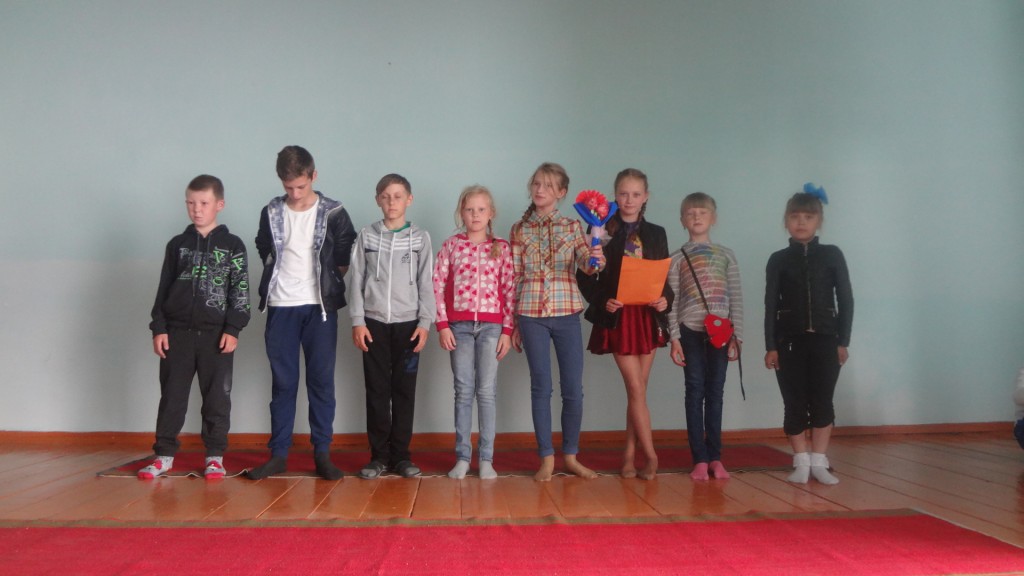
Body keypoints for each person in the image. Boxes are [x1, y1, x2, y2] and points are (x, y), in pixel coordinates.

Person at [249, 146, 356, 481]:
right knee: (283, 383)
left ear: (314, 176)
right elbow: (263, 244)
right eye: (288, 187)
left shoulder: (334, 212)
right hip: (281, 306)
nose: (294, 193)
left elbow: (344, 254)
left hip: (319, 308)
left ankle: (322, 454)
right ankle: (278, 455)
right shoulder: (271, 211)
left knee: (321, 381)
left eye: (301, 186)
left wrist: (327, 281)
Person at [142, 174, 250, 479]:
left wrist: (233, 328)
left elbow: (240, 290)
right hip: (177, 335)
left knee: (217, 399)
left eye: (203, 203)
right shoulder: (177, 245)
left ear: (219, 205)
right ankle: (163, 456)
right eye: (190, 203)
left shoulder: (233, 245)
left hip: (216, 337)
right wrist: (159, 327)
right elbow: (163, 289)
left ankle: (214, 457)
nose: (196, 209)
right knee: (172, 397)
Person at [511, 162, 605, 482]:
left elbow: (588, 266)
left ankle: (571, 456)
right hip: (530, 314)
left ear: (561, 193)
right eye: (537, 183)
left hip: (567, 313)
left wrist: (597, 259)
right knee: (541, 387)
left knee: (573, 389)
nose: (540, 190)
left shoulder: (572, 226)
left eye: (548, 185)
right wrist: (513, 324)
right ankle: (546, 459)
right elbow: (514, 277)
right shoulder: (519, 229)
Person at [578, 168, 671, 480]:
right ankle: (652, 456)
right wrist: (602, 299)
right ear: (614, 196)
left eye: (635, 194)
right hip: (619, 316)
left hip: (647, 316)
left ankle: (629, 455)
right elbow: (585, 275)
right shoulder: (600, 228)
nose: (629, 200)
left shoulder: (657, 233)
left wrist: (666, 300)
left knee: (638, 391)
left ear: (645, 197)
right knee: (635, 387)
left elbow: (663, 277)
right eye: (623, 194)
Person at [764, 185, 852, 485]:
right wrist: (771, 345)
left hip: (826, 339)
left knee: (823, 400)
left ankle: (819, 461)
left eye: (808, 217)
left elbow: (846, 300)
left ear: (819, 221)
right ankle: (800, 461)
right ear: (786, 221)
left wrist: (843, 341)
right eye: (795, 216)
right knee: (794, 401)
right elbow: (770, 304)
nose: (801, 222)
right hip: (789, 342)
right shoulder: (778, 259)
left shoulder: (832, 255)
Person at [350, 173, 435, 479]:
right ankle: (378, 457)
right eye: (385, 196)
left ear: (408, 200)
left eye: (398, 196)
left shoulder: (421, 238)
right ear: (378, 200)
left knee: (403, 391)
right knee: (376, 391)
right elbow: (356, 279)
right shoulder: (367, 236)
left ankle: (400, 456)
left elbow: (427, 282)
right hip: (373, 325)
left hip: (408, 326)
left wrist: (425, 322)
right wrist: (358, 321)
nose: (391, 202)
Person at [433, 185, 516, 479]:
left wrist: (507, 330)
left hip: (493, 328)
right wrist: (443, 325)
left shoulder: (501, 247)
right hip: (460, 328)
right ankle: (462, 457)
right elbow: (437, 285)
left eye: (481, 210)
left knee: (486, 391)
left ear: (491, 213)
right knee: (463, 391)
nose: (475, 215)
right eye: (469, 210)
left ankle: (487, 459)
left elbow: (509, 290)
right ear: (462, 213)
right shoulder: (452, 246)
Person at [667, 192, 743, 481]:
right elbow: (672, 301)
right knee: (694, 390)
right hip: (689, 330)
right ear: (682, 220)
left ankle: (716, 457)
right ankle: (699, 458)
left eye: (702, 212)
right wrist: (674, 338)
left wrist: (738, 336)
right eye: (690, 213)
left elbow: (735, 297)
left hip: (721, 333)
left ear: (714, 218)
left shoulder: (726, 255)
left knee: (716, 392)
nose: (696, 217)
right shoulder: (676, 258)